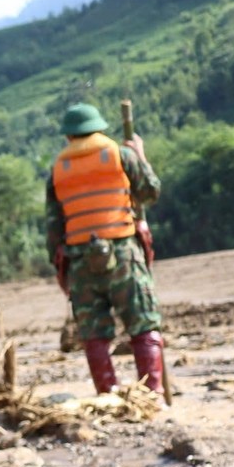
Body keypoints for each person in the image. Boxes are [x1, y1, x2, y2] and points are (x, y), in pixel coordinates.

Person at [48, 103, 163, 395]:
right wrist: (140, 155)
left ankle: (107, 395)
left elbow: (54, 231)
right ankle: (152, 396)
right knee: (143, 325)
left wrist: (64, 273)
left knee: (94, 336)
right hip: (123, 254)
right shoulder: (120, 155)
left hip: (81, 261)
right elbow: (150, 191)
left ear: (68, 136)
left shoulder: (58, 170)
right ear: (99, 129)